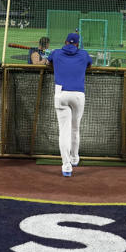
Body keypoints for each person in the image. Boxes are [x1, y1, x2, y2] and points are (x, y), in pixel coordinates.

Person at [48, 33, 92, 177]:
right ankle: (74, 158)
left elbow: (49, 63)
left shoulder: (56, 53)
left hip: (61, 94)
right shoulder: (84, 54)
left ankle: (66, 166)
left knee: (64, 131)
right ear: (77, 44)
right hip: (78, 95)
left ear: (65, 42)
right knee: (75, 128)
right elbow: (89, 65)